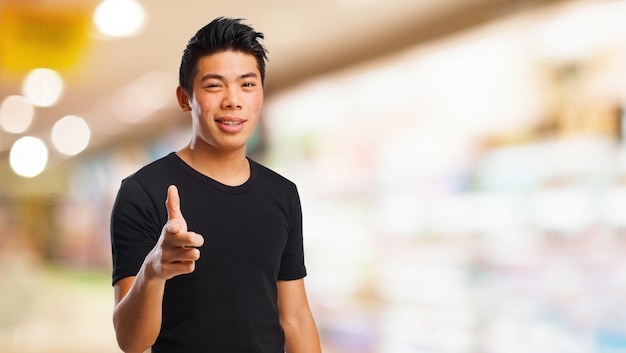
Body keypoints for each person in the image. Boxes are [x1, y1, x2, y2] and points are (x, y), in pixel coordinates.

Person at [109, 17, 322, 353]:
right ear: (185, 98)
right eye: (214, 85)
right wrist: (154, 269)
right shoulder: (143, 192)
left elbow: (295, 317)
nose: (233, 100)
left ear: (261, 95)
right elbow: (132, 342)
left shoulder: (282, 193)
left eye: (247, 85)